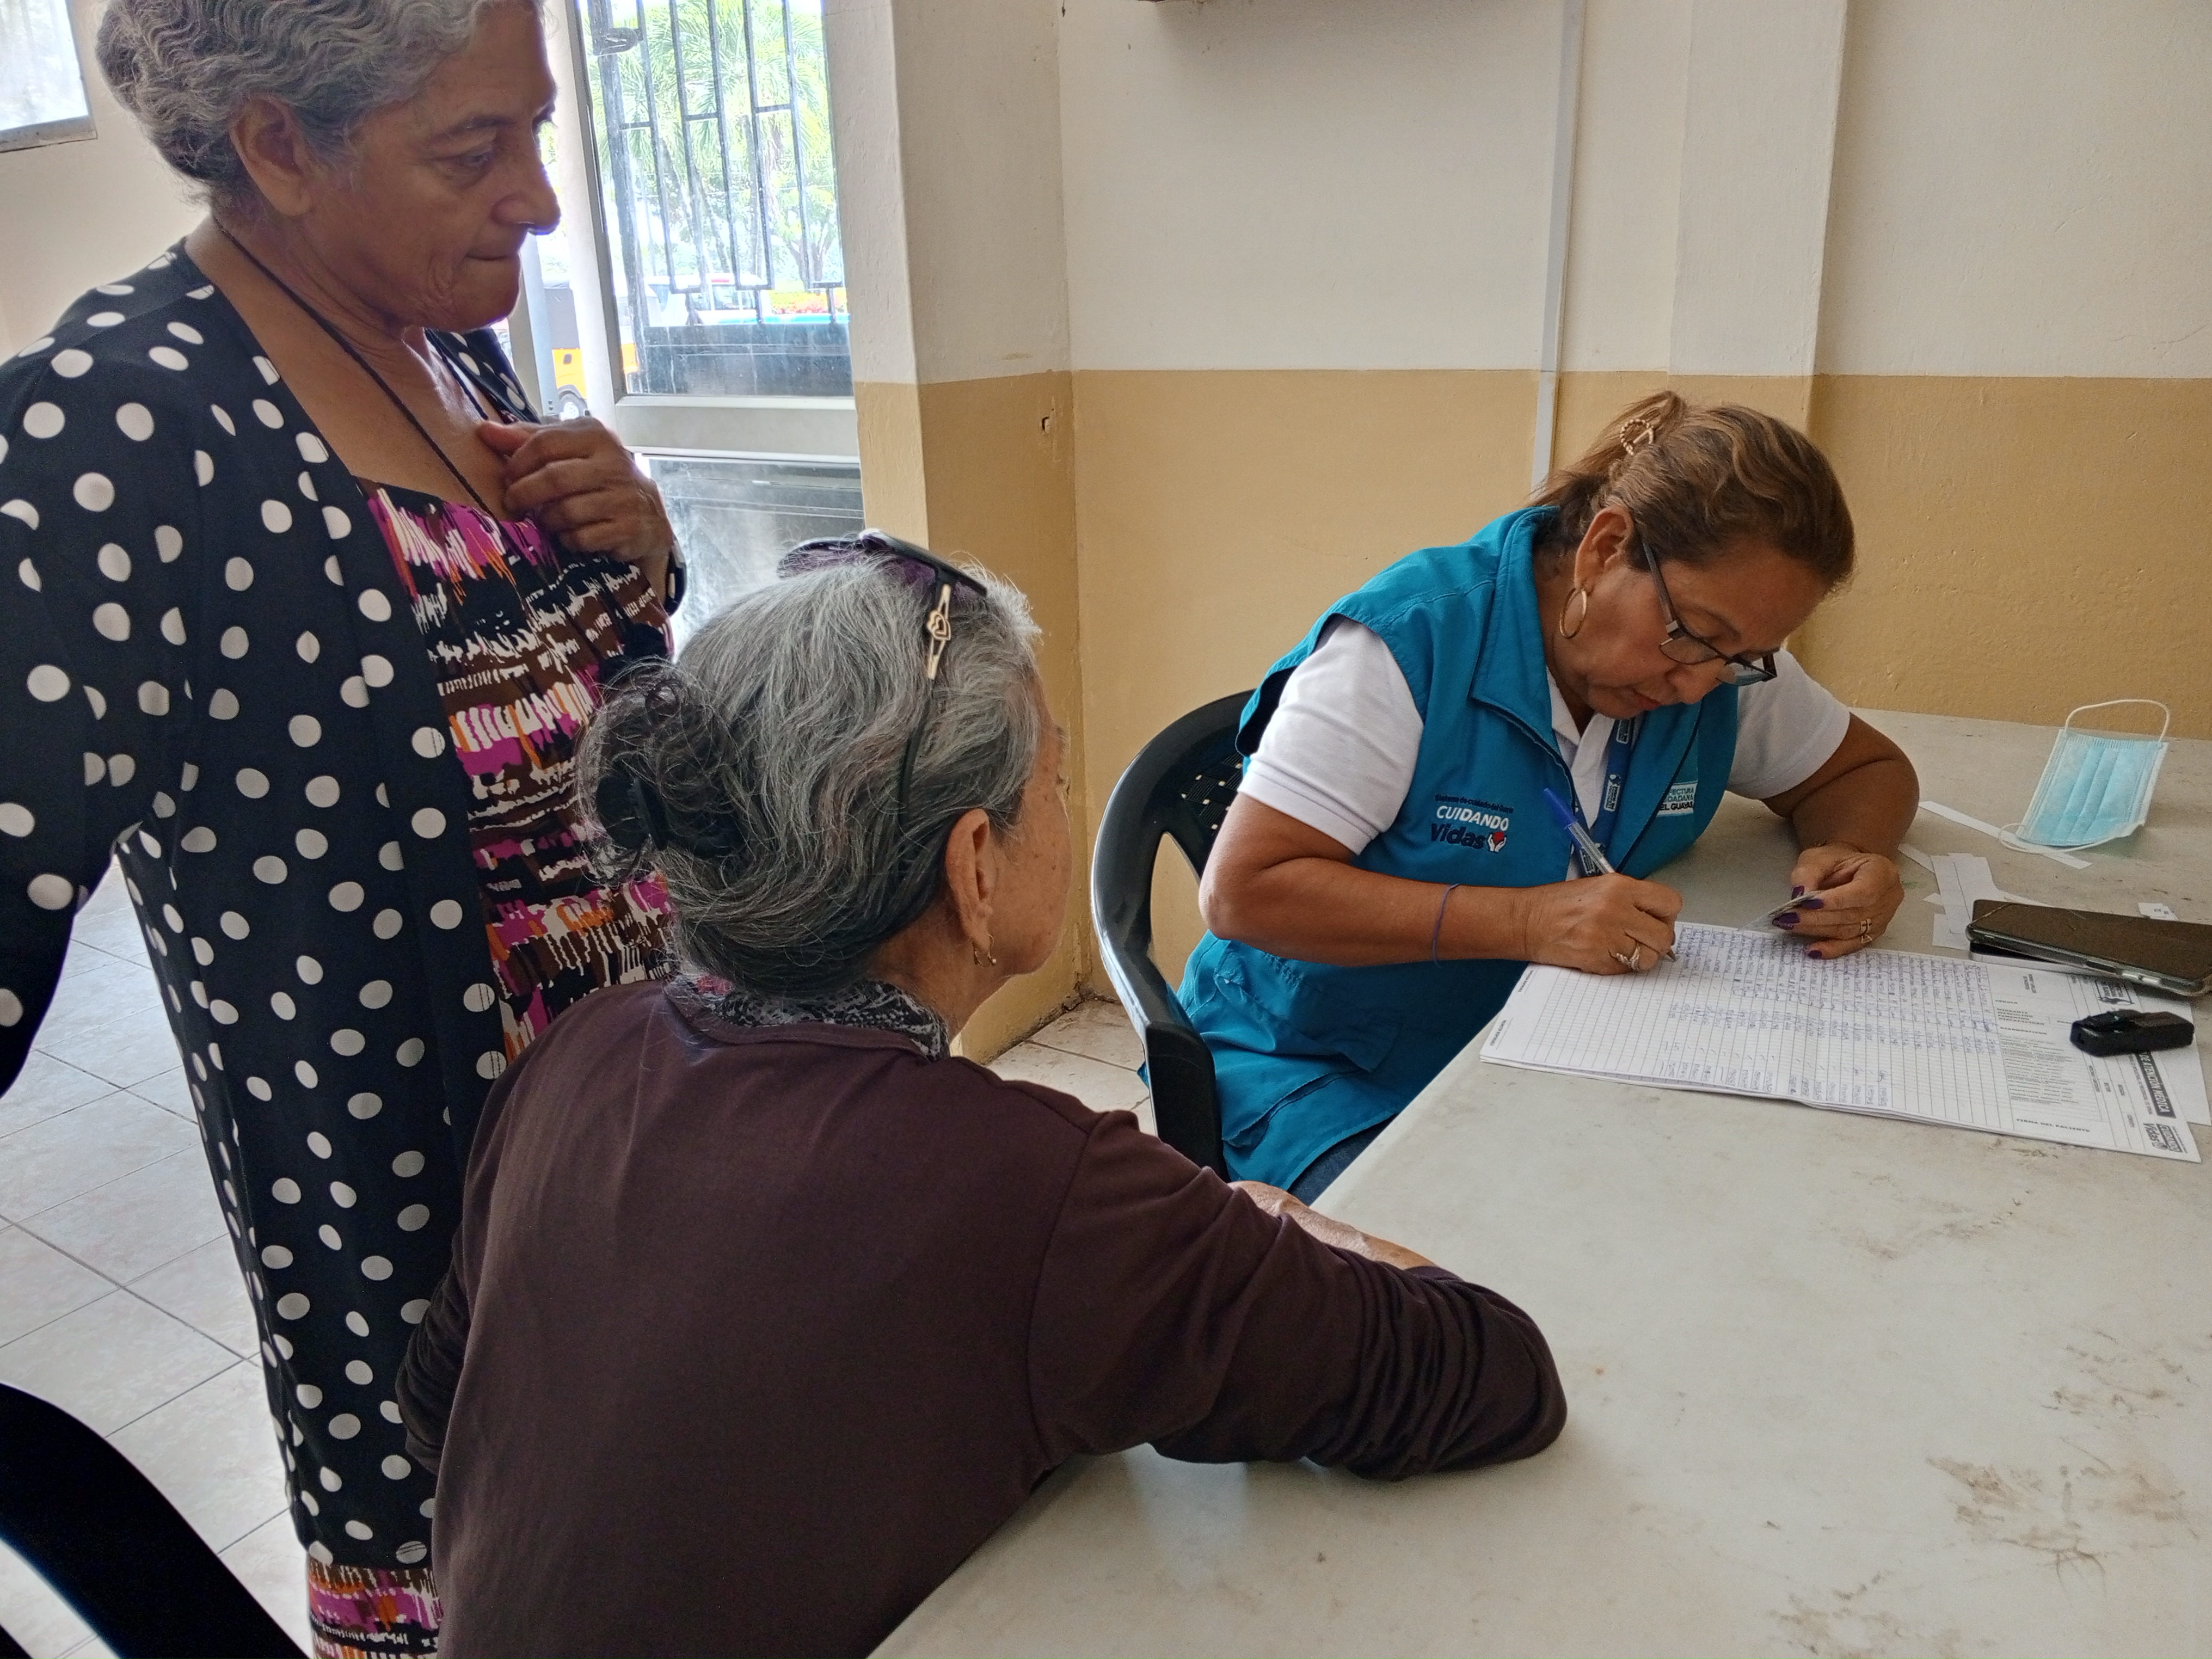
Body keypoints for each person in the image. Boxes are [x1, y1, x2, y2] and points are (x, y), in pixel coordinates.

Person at [394, 534, 1569, 1659]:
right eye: (1051, 777)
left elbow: (440, 1403)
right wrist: (1282, 1224)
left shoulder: (579, 1050)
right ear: (975, 866)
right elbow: (1488, 1374)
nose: (1064, 801)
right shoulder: (1034, 1192)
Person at [0, 3, 682, 1650]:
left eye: (536, 128)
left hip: (650, 1183)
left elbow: (588, 758)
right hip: (440, 1267)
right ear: (279, 147)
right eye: (473, 148)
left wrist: (642, 559)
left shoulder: (444, 346)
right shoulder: (117, 428)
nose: (538, 198)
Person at [1186, 394, 1921, 1200]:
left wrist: (1854, 851)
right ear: (1606, 548)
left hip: (1542, 1047)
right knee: (1448, 1263)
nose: (1698, 684)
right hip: (1318, 1068)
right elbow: (1244, 893)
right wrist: (1528, 922)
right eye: (1694, 636)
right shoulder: (1411, 646)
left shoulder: (1718, 667)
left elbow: (1866, 771)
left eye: (1741, 658)